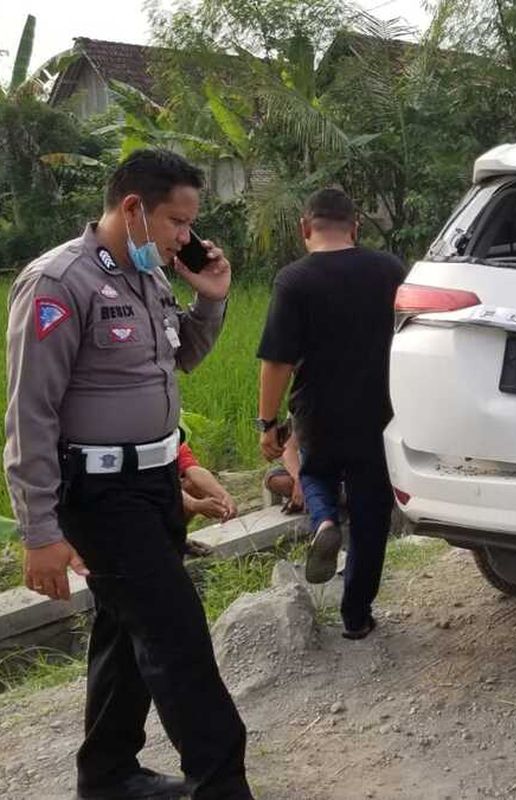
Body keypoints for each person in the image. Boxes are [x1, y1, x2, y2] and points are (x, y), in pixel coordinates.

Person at [4, 149, 253, 799]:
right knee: (176, 634)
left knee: (126, 633)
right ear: (135, 208)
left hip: (153, 484)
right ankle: (222, 785)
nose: (186, 237)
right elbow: (31, 413)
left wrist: (212, 301)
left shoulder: (150, 277)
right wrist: (39, 531)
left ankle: (108, 775)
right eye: (177, 222)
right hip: (101, 494)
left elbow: (179, 360)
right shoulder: (59, 282)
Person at [256, 187, 406, 640]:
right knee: (370, 514)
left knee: (316, 473)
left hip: (317, 410)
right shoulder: (390, 269)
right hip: (380, 411)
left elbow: (278, 361)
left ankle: (322, 520)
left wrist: (267, 423)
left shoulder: (294, 279)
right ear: (355, 227)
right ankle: (356, 617)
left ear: (305, 227)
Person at [179, 442, 238, 524]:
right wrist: (194, 504)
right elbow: (163, 487)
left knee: (194, 485)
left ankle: (176, 529)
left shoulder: (172, 439)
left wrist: (223, 496)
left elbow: (191, 467)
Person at [263, 428, 305, 514]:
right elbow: (289, 447)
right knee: (274, 479)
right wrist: (298, 479)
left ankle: (312, 497)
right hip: (305, 468)